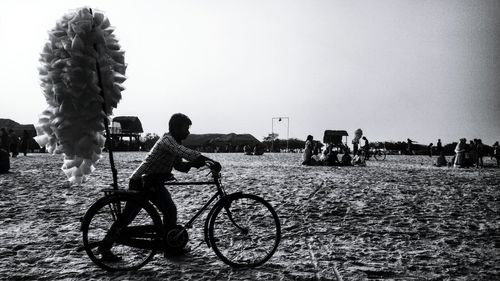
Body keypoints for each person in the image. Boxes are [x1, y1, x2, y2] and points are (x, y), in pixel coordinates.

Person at [98, 113, 220, 261]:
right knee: (127, 217)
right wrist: (208, 160)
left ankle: (169, 247)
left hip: (153, 182)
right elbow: (184, 152)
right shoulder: (167, 141)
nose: (187, 132)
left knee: (170, 210)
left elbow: (179, 165)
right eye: (185, 128)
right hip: (141, 182)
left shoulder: (174, 143)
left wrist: (195, 164)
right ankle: (104, 248)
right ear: (175, 128)